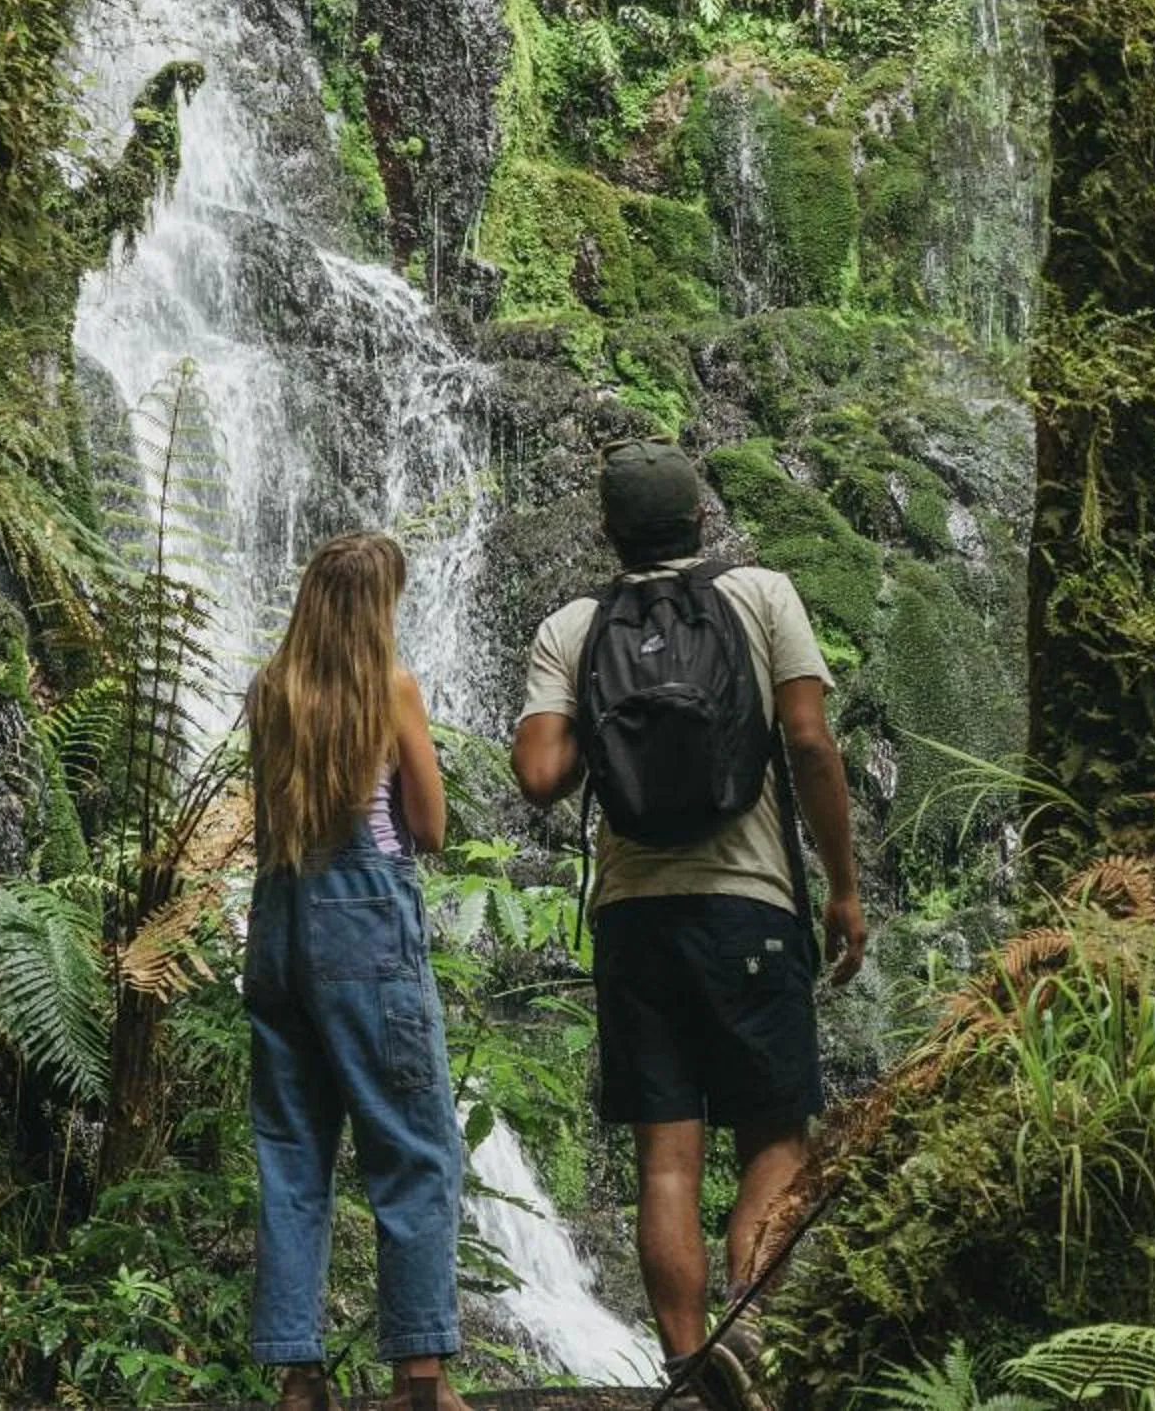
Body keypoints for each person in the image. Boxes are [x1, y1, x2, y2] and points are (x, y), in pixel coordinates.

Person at [510, 442, 866, 1411]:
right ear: (704, 521)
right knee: (776, 1141)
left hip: (634, 921)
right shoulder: (761, 597)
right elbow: (808, 743)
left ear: (608, 534)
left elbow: (540, 778)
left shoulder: (574, 627)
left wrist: (601, 716)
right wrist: (842, 887)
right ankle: (747, 1319)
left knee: (666, 1160)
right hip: (752, 905)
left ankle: (684, 1367)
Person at [243, 531, 472, 1411]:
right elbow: (431, 825)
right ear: (378, 609)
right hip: (365, 929)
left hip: (278, 927)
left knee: (293, 1151)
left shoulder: (271, 690)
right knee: (412, 1145)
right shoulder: (392, 689)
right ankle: (420, 1375)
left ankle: (300, 1378)